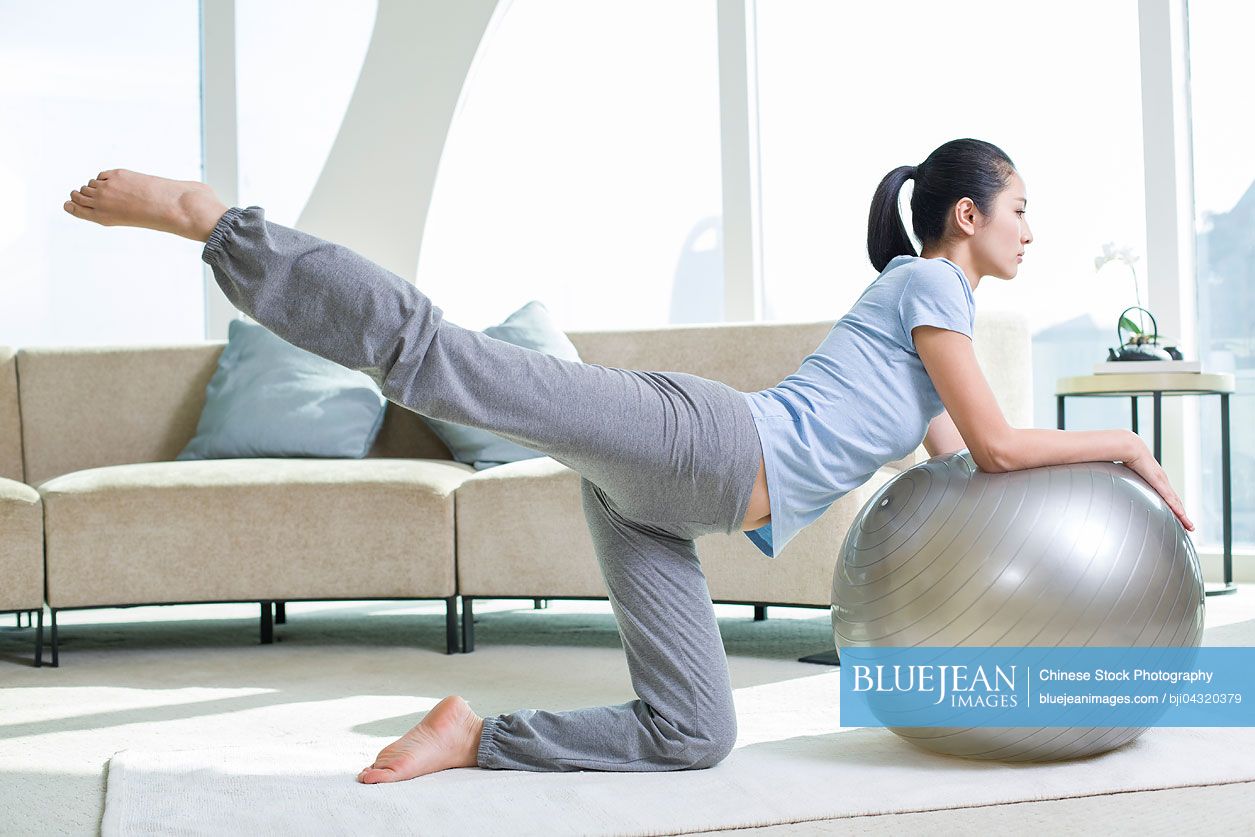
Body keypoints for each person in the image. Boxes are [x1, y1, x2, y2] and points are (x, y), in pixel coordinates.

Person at [62, 137, 1193, 783]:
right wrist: (1123, 443)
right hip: (699, 441)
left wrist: (1062, 490)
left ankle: (473, 734)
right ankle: (217, 221)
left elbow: (955, 455)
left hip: (668, 505)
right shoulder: (932, 283)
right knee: (434, 359)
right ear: (965, 215)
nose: (1032, 232)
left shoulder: (919, 301)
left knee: (693, 735)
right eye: (1022, 210)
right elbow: (997, 445)